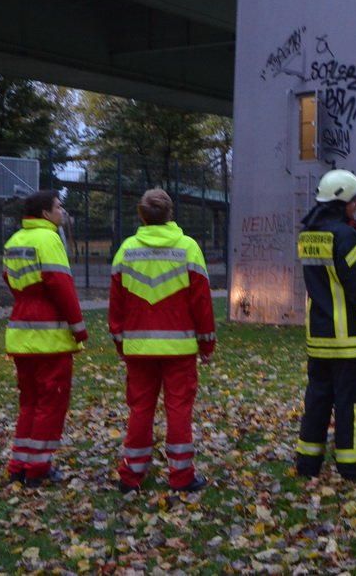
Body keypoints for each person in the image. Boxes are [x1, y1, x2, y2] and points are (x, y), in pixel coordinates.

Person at [109, 189, 216, 493]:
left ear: (141, 216)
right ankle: (181, 476)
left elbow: (116, 305)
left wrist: (121, 343)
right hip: (179, 349)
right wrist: (207, 344)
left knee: (140, 409)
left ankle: (131, 475)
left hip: (139, 348)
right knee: (178, 409)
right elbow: (202, 303)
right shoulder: (188, 248)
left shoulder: (126, 250)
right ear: (171, 214)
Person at [295, 169, 356, 481]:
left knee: (317, 400)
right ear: (341, 200)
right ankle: (352, 466)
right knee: (351, 404)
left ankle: (307, 464)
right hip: (348, 340)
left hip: (318, 337)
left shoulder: (308, 235)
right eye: (355, 200)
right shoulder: (346, 237)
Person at [2, 190, 87, 488]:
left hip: (20, 332)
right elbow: (61, 285)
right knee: (51, 403)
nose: (62, 211)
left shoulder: (14, 241)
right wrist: (78, 326)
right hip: (49, 336)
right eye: (58, 206)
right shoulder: (49, 239)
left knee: (29, 402)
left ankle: (19, 465)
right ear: (45, 213)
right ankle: (38, 469)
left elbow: (9, 280)